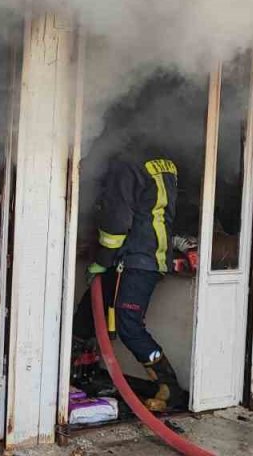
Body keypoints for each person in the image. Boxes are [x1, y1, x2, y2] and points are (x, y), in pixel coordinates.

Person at [78, 155, 186, 412]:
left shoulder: (127, 163)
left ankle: (170, 388)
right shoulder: (164, 162)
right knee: (87, 313)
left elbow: (117, 221)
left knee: (129, 326)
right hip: (144, 257)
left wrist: (102, 260)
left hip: (136, 260)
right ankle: (79, 372)